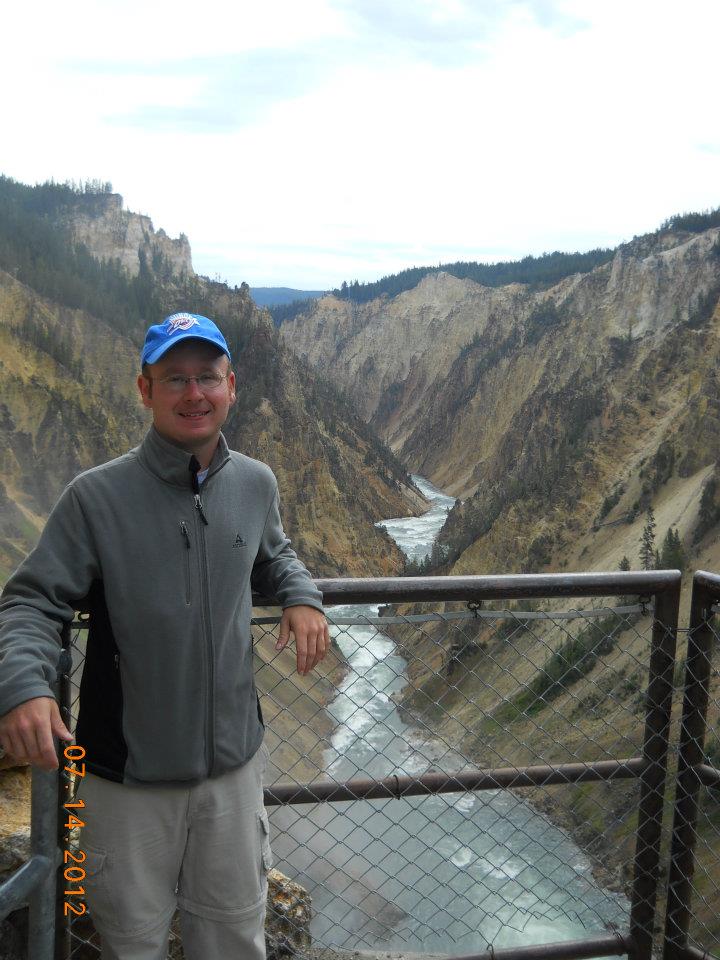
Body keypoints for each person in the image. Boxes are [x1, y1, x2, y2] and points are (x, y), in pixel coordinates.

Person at [0, 311, 330, 960]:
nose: (193, 392)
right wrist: (23, 688)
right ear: (145, 390)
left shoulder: (255, 484)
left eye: (207, 376)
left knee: (234, 937)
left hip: (232, 773)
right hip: (126, 779)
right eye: (175, 378)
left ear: (231, 386)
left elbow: (274, 553)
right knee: (132, 945)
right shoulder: (95, 498)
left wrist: (301, 594)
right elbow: (32, 599)